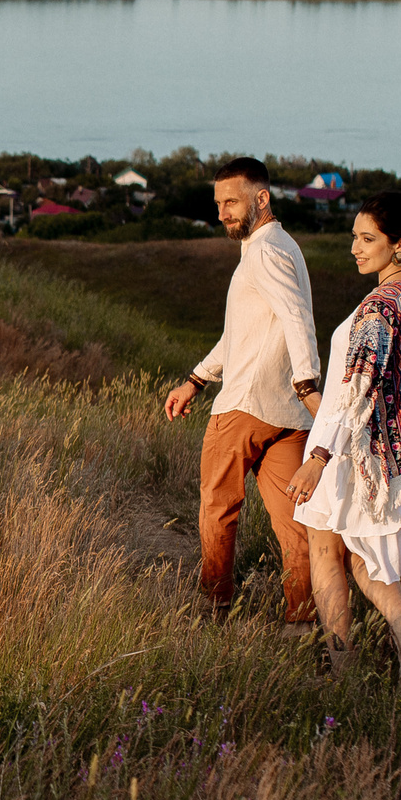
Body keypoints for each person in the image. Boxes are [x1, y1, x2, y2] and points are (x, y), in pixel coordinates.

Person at [290, 191, 401, 692]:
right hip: (388, 452)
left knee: (327, 552)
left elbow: (357, 388)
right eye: (354, 238)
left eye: (367, 239)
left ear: (400, 244)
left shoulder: (382, 306)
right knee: (364, 555)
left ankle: (343, 676)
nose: (355, 249)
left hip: (350, 451)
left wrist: (318, 457)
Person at [160, 157, 323, 625]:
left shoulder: (265, 252)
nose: (222, 214)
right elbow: (240, 335)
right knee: (295, 526)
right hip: (288, 417)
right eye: (218, 204)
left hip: (246, 407)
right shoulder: (280, 246)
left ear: (262, 198)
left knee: (218, 509)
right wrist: (196, 380)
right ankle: (301, 622)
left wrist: (308, 382)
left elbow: (297, 318)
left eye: (231, 202)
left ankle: (215, 609)